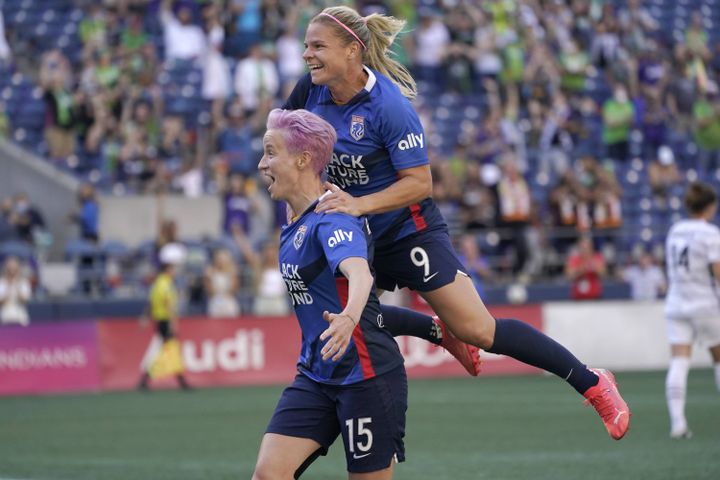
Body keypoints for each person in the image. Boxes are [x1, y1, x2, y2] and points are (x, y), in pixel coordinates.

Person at [284, 5, 630, 441]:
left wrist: (358, 205)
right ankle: (436, 330)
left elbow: (420, 184)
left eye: (317, 46)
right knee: (337, 316)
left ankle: (592, 382)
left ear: (352, 51)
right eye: (305, 46)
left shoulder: (389, 106)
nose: (306, 55)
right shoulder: (308, 91)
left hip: (407, 229)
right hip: (356, 228)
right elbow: (285, 143)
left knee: (479, 330)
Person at [253, 109, 407, 479]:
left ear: (303, 160)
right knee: (267, 475)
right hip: (316, 376)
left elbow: (360, 274)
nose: (261, 164)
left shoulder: (332, 217)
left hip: (367, 377)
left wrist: (348, 318)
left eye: (271, 153)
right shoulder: (294, 220)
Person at [664, 182, 720, 439]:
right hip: (705, 303)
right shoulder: (710, 234)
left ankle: (678, 424)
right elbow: (718, 272)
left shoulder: (675, 230)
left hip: (676, 302)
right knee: (718, 358)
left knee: (679, 361)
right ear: (710, 206)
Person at [137, 242, 192, 391]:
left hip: (160, 320)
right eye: (174, 268)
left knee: (169, 350)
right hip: (165, 321)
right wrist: (174, 322)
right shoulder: (166, 284)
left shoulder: (157, 283)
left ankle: (179, 380)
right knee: (168, 351)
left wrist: (145, 317)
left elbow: (151, 302)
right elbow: (169, 305)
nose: (176, 271)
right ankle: (148, 378)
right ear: (169, 268)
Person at [0, 257, 31, 326]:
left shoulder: (23, 282)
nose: (12, 269)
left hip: (20, 315)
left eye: (14, 267)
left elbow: (25, 300)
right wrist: (9, 286)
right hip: (5, 315)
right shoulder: (2, 282)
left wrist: (17, 286)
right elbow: (1, 301)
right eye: (10, 267)